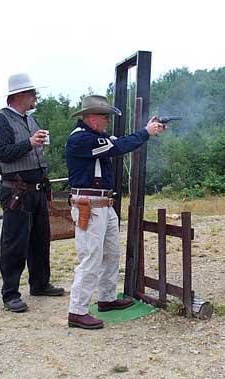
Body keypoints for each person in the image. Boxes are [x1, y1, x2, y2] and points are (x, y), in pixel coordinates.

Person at [65, 95, 164, 329]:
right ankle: (77, 310)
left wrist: (146, 130)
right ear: (91, 118)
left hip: (104, 204)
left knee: (110, 254)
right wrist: (146, 132)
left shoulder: (97, 137)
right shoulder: (81, 139)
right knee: (90, 258)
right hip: (89, 204)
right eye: (104, 116)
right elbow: (120, 146)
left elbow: (123, 141)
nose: (107, 121)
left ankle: (107, 298)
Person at [0, 73, 64, 313]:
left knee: (40, 240)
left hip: (36, 190)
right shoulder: (0, 120)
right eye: (32, 93)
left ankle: (40, 284)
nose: (35, 97)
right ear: (19, 95)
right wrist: (29, 144)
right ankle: (10, 293)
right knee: (14, 243)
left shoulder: (31, 119)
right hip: (17, 192)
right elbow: (2, 153)